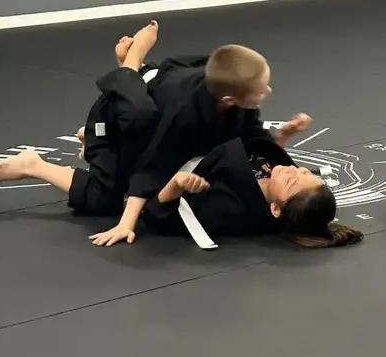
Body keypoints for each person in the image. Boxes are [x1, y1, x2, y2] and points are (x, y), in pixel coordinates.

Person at [89, 38, 312, 247]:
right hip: (152, 89)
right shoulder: (183, 114)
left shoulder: (235, 100)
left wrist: (284, 134)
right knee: (139, 121)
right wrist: (126, 224)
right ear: (230, 100)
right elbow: (152, 164)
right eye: (262, 91)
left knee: (221, 138)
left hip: (193, 74)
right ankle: (131, 64)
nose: (269, 92)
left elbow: (256, 141)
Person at [0, 21, 163, 216]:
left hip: (147, 104)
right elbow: (139, 115)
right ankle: (34, 165)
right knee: (105, 198)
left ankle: (129, 73)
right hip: (131, 111)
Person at [142, 135, 364, 248]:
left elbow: (158, 217)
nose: (295, 170)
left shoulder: (230, 209)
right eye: (306, 174)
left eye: (291, 182)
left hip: (152, 158)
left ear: (275, 209)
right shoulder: (275, 180)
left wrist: (176, 184)